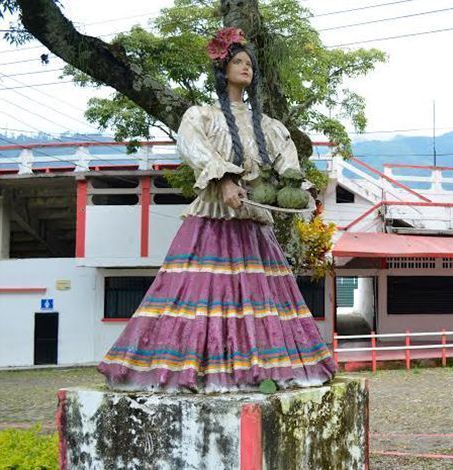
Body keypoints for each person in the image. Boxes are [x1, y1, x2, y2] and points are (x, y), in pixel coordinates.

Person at [97, 28, 337, 392]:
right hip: (211, 219)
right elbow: (193, 148)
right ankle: (193, 370)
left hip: (252, 225)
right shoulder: (202, 116)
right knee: (197, 297)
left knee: (260, 300)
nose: (246, 69)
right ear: (223, 68)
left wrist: (295, 189)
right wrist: (223, 180)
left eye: (249, 64)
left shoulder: (268, 127)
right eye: (238, 62)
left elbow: (287, 164)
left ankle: (261, 370)